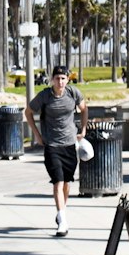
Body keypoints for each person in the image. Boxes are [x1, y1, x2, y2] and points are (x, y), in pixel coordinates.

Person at [25, 64, 88, 236]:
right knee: (58, 181)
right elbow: (28, 112)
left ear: (67, 79)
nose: (60, 82)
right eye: (57, 78)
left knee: (66, 183)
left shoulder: (73, 93)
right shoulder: (45, 96)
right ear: (52, 79)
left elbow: (84, 109)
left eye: (63, 79)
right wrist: (37, 135)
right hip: (52, 145)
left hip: (69, 144)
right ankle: (63, 221)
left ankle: (61, 214)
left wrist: (83, 129)